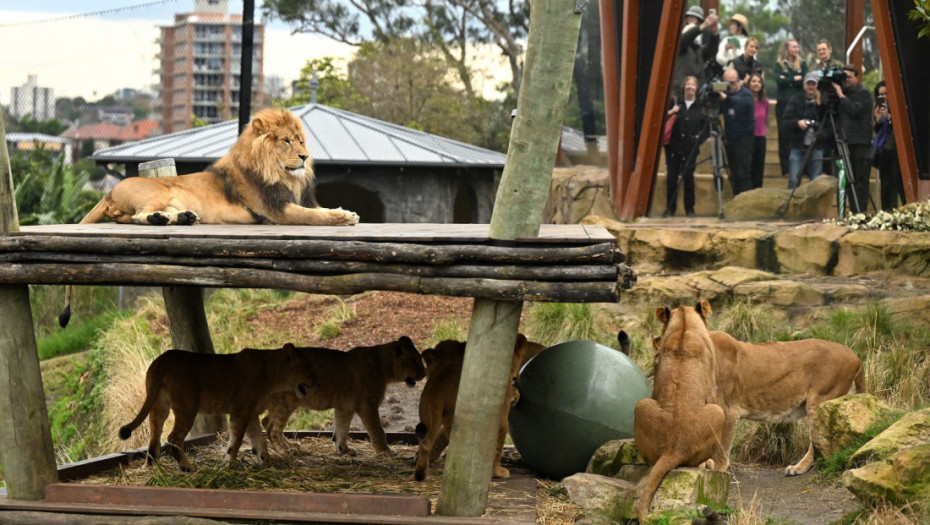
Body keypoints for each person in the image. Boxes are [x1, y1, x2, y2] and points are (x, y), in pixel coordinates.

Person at [830, 64, 874, 214]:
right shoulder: (840, 94)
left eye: (849, 77)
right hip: (845, 141)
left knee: (861, 179)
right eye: (844, 77)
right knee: (849, 179)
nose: (846, 80)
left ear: (857, 77)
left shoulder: (864, 94)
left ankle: (860, 212)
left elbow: (855, 111)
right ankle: (852, 211)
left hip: (861, 142)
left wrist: (841, 96)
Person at [663, 76, 708, 217]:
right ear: (683, 87)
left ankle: (690, 208)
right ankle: (670, 208)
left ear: (696, 88)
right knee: (672, 178)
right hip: (673, 147)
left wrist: (698, 139)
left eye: (693, 84)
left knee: (688, 178)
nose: (690, 87)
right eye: (687, 84)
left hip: (690, 148)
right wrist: (672, 111)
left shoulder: (701, 107)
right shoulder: (676, 104)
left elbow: (706, 127)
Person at [782, 72, 827, 189]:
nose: (811, 87)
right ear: (804, 85)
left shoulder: (823, 101)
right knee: (793, 179)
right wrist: (798, 123)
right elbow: (785, 122)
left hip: (817, 145)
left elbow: (827, 123)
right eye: (808, 83)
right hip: (797, 144)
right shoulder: (795, 100)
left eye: (814, 84)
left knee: (815, 180)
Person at [773, 38, 808, 180]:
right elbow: (779, 81)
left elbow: (805, 80)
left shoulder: (803, 63)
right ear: (787, 48)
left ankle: (803, 167)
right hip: (782, 103)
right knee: (783, 135)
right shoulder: (779, 64)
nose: (796, 49)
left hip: (799, 102)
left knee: (801, 133)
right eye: (794, 47)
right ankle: (785, 168)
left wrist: (787, 79)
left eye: (797, 47)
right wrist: (794, 79)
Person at [720, 67, 755, 196]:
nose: (730, 86)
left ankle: (746, 201)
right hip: (730, 137)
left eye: (733, 82)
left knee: (743, 171)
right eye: (727, 83)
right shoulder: (725, 94)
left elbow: (741, 103)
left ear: (739, 81)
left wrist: (726, 98)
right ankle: (736, 197)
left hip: (744, 137)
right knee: (733, 171)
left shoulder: (745, 94)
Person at [673, 6, 720, 95]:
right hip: (681, 92)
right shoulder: (680, 45)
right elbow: (685, 39)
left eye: (695, 18)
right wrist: (702, 27)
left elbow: (711, 51)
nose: (691, 20)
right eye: (689, 17)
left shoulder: (698, 48)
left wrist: (714, 33)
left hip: (697, 94)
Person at [873, 80, 905, 210]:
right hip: (884, 149)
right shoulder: (879, 108)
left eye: (886, 93)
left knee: (897, 182)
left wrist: (890, 117)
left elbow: (900, 128)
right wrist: (879, 119)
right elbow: (877, 130)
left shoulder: (899, 106)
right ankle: (886, 210)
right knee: (885, 183)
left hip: (897, 149)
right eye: (881, 94)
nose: (884, 97)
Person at [747, 72, 769, 189]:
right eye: (753, 81)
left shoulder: (765, 101)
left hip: (760, 138)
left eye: (759, 82)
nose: (756, 84)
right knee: (748, 168)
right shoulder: (745, 100)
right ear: (749, 83)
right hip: (747, 138)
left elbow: (765, 118)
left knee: (758, 169)